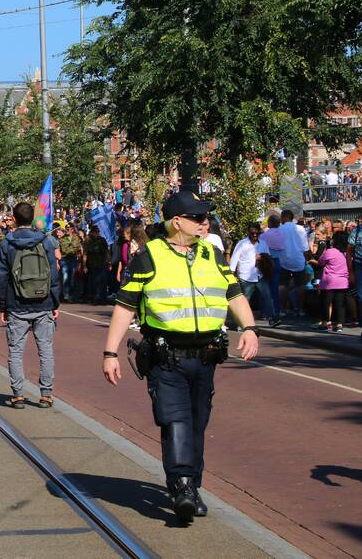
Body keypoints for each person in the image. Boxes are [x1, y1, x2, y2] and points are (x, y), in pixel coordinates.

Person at [102, 191, 259, 523]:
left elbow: (234, 293)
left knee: (197, 423)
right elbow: (124, 306)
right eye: (198, 218)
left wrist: (250, 328)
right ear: (177, 222)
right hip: (166, 356)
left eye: (206, 218)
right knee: (176, 421)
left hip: (206, 356)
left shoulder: (213, 254)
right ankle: (183, 486)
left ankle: (191, 485)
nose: (205, 223)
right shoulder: (148, 257)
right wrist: (110, 352)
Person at [0, 202, 61, 409]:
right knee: (45, 349)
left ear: (13, 219)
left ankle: (17, 395)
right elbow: (53, 273)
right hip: (43, 302)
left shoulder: (7, 243)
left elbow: (2, 276)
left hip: (16, 304)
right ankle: (46, 394)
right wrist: (55, 301)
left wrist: (3, 305)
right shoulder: (46, 241)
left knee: (15, 351)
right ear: (32, 218)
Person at [229, 223, 278, 326]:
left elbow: (269, 257)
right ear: (248, 233)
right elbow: (234, 258)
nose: (255, 235)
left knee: (267, 296)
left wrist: (262, 257)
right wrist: (231, 273)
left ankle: (273, 318)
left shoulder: (263, 243)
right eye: (252, 233)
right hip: (246, 276)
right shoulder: (242, 244)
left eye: (257, 233)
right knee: (245, 299)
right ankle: (241, 322)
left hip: (259, 275)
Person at [315, 230, 349, 333]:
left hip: (329, 282)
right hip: (342, 281)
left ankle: (325, 323)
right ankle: (339, 325)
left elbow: (320, 262)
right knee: (340, 304)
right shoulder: (345, 252)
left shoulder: (330, 251)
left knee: (325, 302)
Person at [278, 210, 310, 317]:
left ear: (284, 217)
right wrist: (305, 261)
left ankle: (283, 308)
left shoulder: (280, 229)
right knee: (301, 285)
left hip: (284, 260)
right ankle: (300, 309)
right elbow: (305, 248)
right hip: (298, 260)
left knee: (283, 285)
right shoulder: (300, 229)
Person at [57, 225, 82, 302]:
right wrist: (58, 262)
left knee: (72, 278)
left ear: (72, 229)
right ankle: (66, 295)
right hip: (64, 260)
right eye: (66, 229)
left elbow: (80, 250)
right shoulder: (61, 239)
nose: (67, 230)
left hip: (73, 259)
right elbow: (58, 251)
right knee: (65, 277)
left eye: (68, 229)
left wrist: (80, 262)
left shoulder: (76, 239)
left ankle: (72, 295)